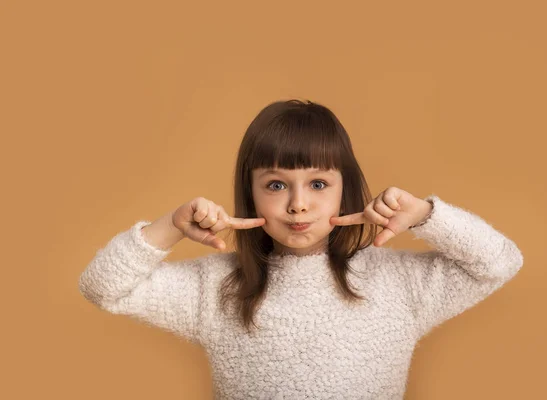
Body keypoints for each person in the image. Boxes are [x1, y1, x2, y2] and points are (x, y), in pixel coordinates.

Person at [78, 99, 524, 399]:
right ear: (250, 193)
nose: (298, 203)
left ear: (344, 189)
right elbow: (103, 288)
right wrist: (171, 226)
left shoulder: (398, 281)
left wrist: (428, 214)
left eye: (318, 183)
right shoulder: (216, 286)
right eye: (276, 184)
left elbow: (500, 262)